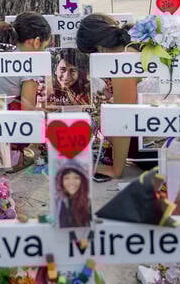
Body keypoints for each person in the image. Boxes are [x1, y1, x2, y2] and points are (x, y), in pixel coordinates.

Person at [76, 13, 138, 181]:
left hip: (156, 140)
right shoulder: (130, 46)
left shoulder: (121, 63)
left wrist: (115, 169)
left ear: (99, 49)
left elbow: (123, 118)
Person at [0, 12, 52, 110]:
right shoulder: (29, 65)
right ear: (36, 42)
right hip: (0, 115)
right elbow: (28, 111)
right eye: (44, 47)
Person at [55, 162, 92, 227]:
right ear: (61, 181)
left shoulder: (87, 201)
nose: (71, 182)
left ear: (82, 180)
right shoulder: (58, 202)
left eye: (76, 178)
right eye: (66, 178)